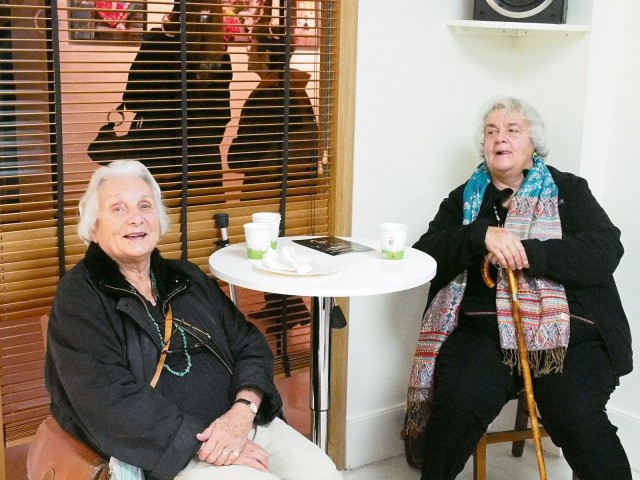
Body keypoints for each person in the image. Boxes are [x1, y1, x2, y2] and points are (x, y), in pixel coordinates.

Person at [44, 160, 343, 480]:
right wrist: (201, 442)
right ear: (93, 227)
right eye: (118, 208)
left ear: (158, 218)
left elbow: (250, 344)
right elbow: (107, 399)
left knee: (323, 474)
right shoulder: (80, 297)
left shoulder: (186, 277)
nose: (135, 218)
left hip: (241, 422)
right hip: (169, 450)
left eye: (145, 205)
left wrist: (243, 411)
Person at [404, 97, 632, 480]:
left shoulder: (569, 190)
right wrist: (480, 235)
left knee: (575, 413)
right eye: (491, 131)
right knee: (457, 403)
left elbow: (605, 249)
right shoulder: (464, 199)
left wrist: (529, 252)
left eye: (513, 130)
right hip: (485, 334)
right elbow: (425, 256)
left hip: (569, 336)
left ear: (533, 144)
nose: (500, 138)